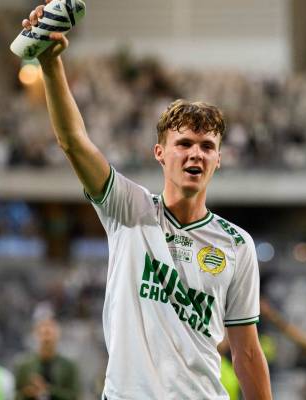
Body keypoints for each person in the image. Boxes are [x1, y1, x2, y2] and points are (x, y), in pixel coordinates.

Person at [19, 3, 272, 399]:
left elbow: (247, 352)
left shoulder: (237, 244)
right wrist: (51, 65)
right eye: (184, 143)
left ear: (219, 159)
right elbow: (73, 142)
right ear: (160, 153)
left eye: (207, 146)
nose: (196, 154)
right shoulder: (128, 207)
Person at [14, 318, 79, 400]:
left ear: (58, 335)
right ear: (36, 335)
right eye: (43, 333)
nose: (47, 338)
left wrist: (48, 389)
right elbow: (16, 395)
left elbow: (75, 396)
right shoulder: (24, 366)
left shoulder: (69, 366)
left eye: (50, 333)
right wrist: (28, 393)